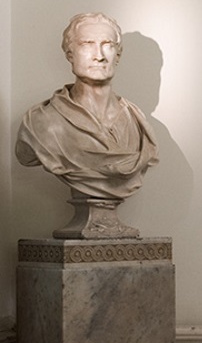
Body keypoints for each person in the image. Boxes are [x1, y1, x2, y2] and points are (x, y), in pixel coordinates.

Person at [16, 12, 158, 202]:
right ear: (69, 54)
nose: (99, 56)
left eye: (107, 45)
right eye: (87, 44)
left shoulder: (137, 122)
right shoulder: (41, 122)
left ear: (118, 55)